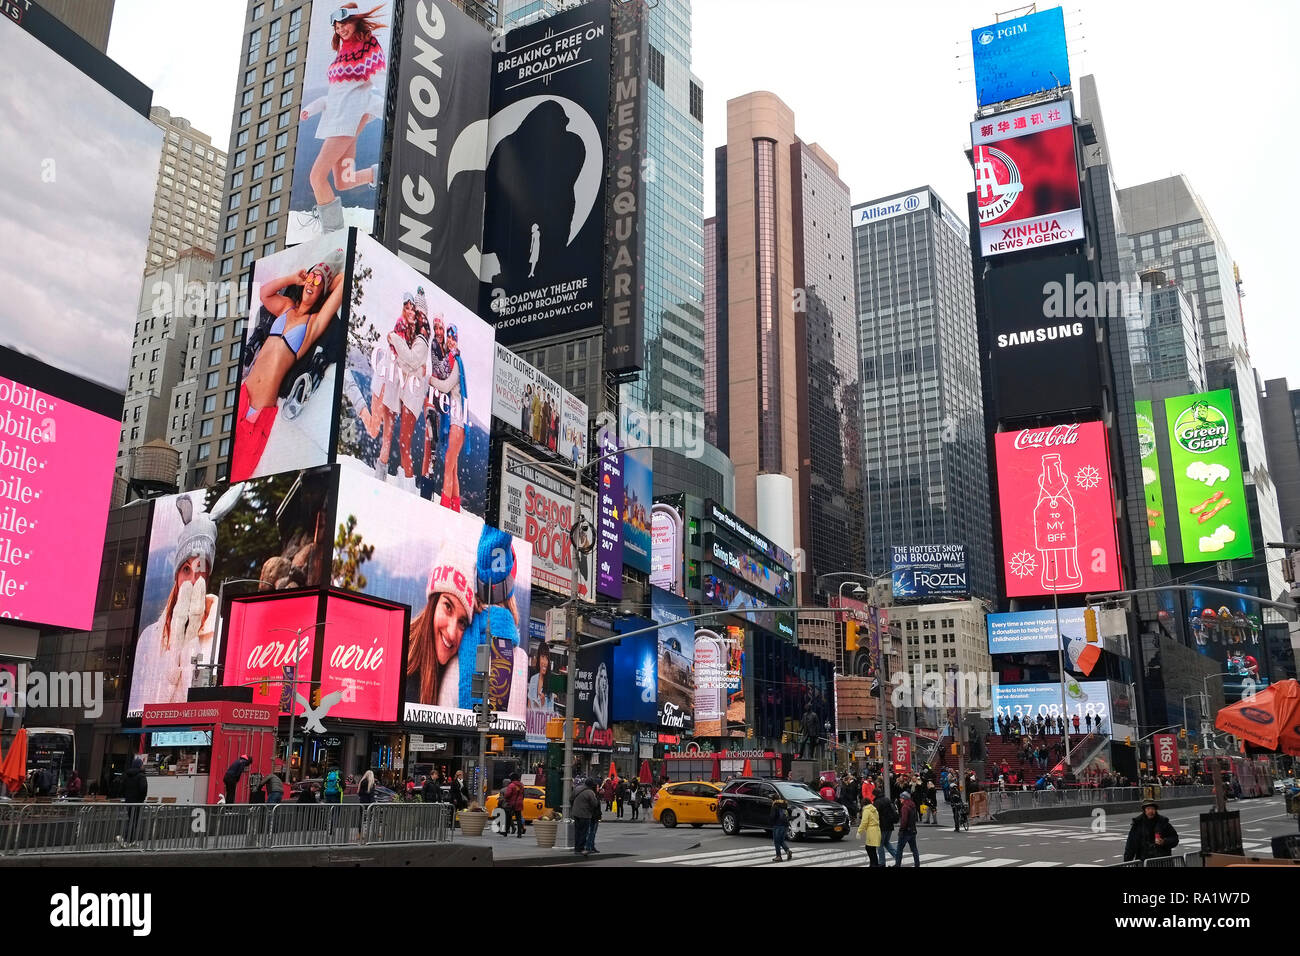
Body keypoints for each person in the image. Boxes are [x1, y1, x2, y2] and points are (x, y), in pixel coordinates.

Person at [129, 486, 244, 713]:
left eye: (200, 568)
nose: (192, 579)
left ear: (208, 574)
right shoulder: (149, 637)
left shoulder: (223, 635)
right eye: (186, 569)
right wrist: (175, 648)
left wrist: (190, 639)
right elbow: (140, 707)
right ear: (176, 574)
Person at [234, 254, 346, 480]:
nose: (312, 284)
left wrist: (326, 276)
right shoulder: (286, 307)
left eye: (318, 283)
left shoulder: (313, 323)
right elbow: (264, 293)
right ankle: (254, 343)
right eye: (310, 279)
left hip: (259, 409)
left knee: (239, 473)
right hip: (243, 393)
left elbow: (343, 282)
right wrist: (294, 279)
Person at [296, 4, 386, 234]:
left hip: (346, 124)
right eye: (337, 26)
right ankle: (378, 173)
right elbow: (335, 96)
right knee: (343, 181)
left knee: (316, 176)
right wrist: (312, 108)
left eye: (344, 23)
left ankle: (333, 233)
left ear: (356, 22)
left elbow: (380, 82)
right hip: (337, 120)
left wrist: (373, 112)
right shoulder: (342, 55)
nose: (340, 29)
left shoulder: (367, 48)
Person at [405, 545, 476, 707]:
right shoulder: (400, 652)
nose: (451, 633)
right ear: (433, 603)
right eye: (448, 607)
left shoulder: (456, 671)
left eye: (462, 622)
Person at [427, 323, 470, 512]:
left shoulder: (457, 362)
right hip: (457, 420)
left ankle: (445, 509)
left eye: (454, 338)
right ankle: (455, 509)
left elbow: (446, 386)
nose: (451, 340)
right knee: (452, 469)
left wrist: (430, 380)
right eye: (449, 337)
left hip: (457, 420)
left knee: (448, 467)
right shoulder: (452, 361)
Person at [572, 777, 600, 857]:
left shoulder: (577, 789)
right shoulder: (590, 792)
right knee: (583, 832)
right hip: (585, 815)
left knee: (577, 831)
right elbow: (595, 804)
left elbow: (571, 798)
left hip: (575, 813)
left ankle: (576, 848)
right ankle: (581, 849)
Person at [892, 790, 921, 867]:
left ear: (904, 798)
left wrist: (901, 830)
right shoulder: (912, 805)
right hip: (912, 830)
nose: (900, 799)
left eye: (901, 798)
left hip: (905, 832)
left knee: (899, 849)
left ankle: (897, 864)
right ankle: (917, 864)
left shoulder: (905, 807)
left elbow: (904, 820)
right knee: (914, 849)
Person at [858, 796, 883, 866]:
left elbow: (864, 822)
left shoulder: (866, 810)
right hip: (876, 829)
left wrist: (859, 831)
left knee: (869, 848)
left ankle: (873, 864)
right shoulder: (874, 809)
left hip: (871, 831)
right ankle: (874, 863)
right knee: (872, 849)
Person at [874, 786, 897, 856]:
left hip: (882, 826)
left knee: (880, 844)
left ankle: (882, 863)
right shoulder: (887, 799)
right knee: (886, 842)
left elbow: (875, 815)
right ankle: (897, 857)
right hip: (890, 825)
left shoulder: (877, 802)